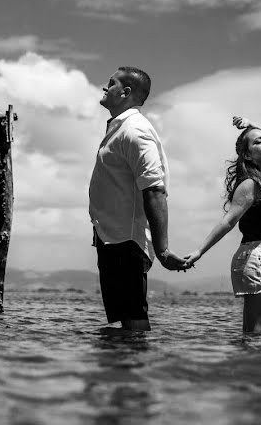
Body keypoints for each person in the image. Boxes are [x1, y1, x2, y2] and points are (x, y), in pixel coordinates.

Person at [88, 66, 188, 333]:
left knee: (133, 317)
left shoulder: (135, 131)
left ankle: (135, 371)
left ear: (126, 92)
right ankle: (123, 374)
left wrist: (163, 248)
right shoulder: (120, 128)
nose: (105, 87)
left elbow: (154, 189)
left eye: (111, 83)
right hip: (111, 236)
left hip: (126, 240)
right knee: (123, 320)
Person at [184, 116, 261, 333]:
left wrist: (251, 126)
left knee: (254, 335)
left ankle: (245, 366)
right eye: (258, 142)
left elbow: (260, 138)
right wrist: (199, 251)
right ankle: (250, 367)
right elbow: (228, 221)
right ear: (247, 154)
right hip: (258, 257)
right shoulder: (251, 184)